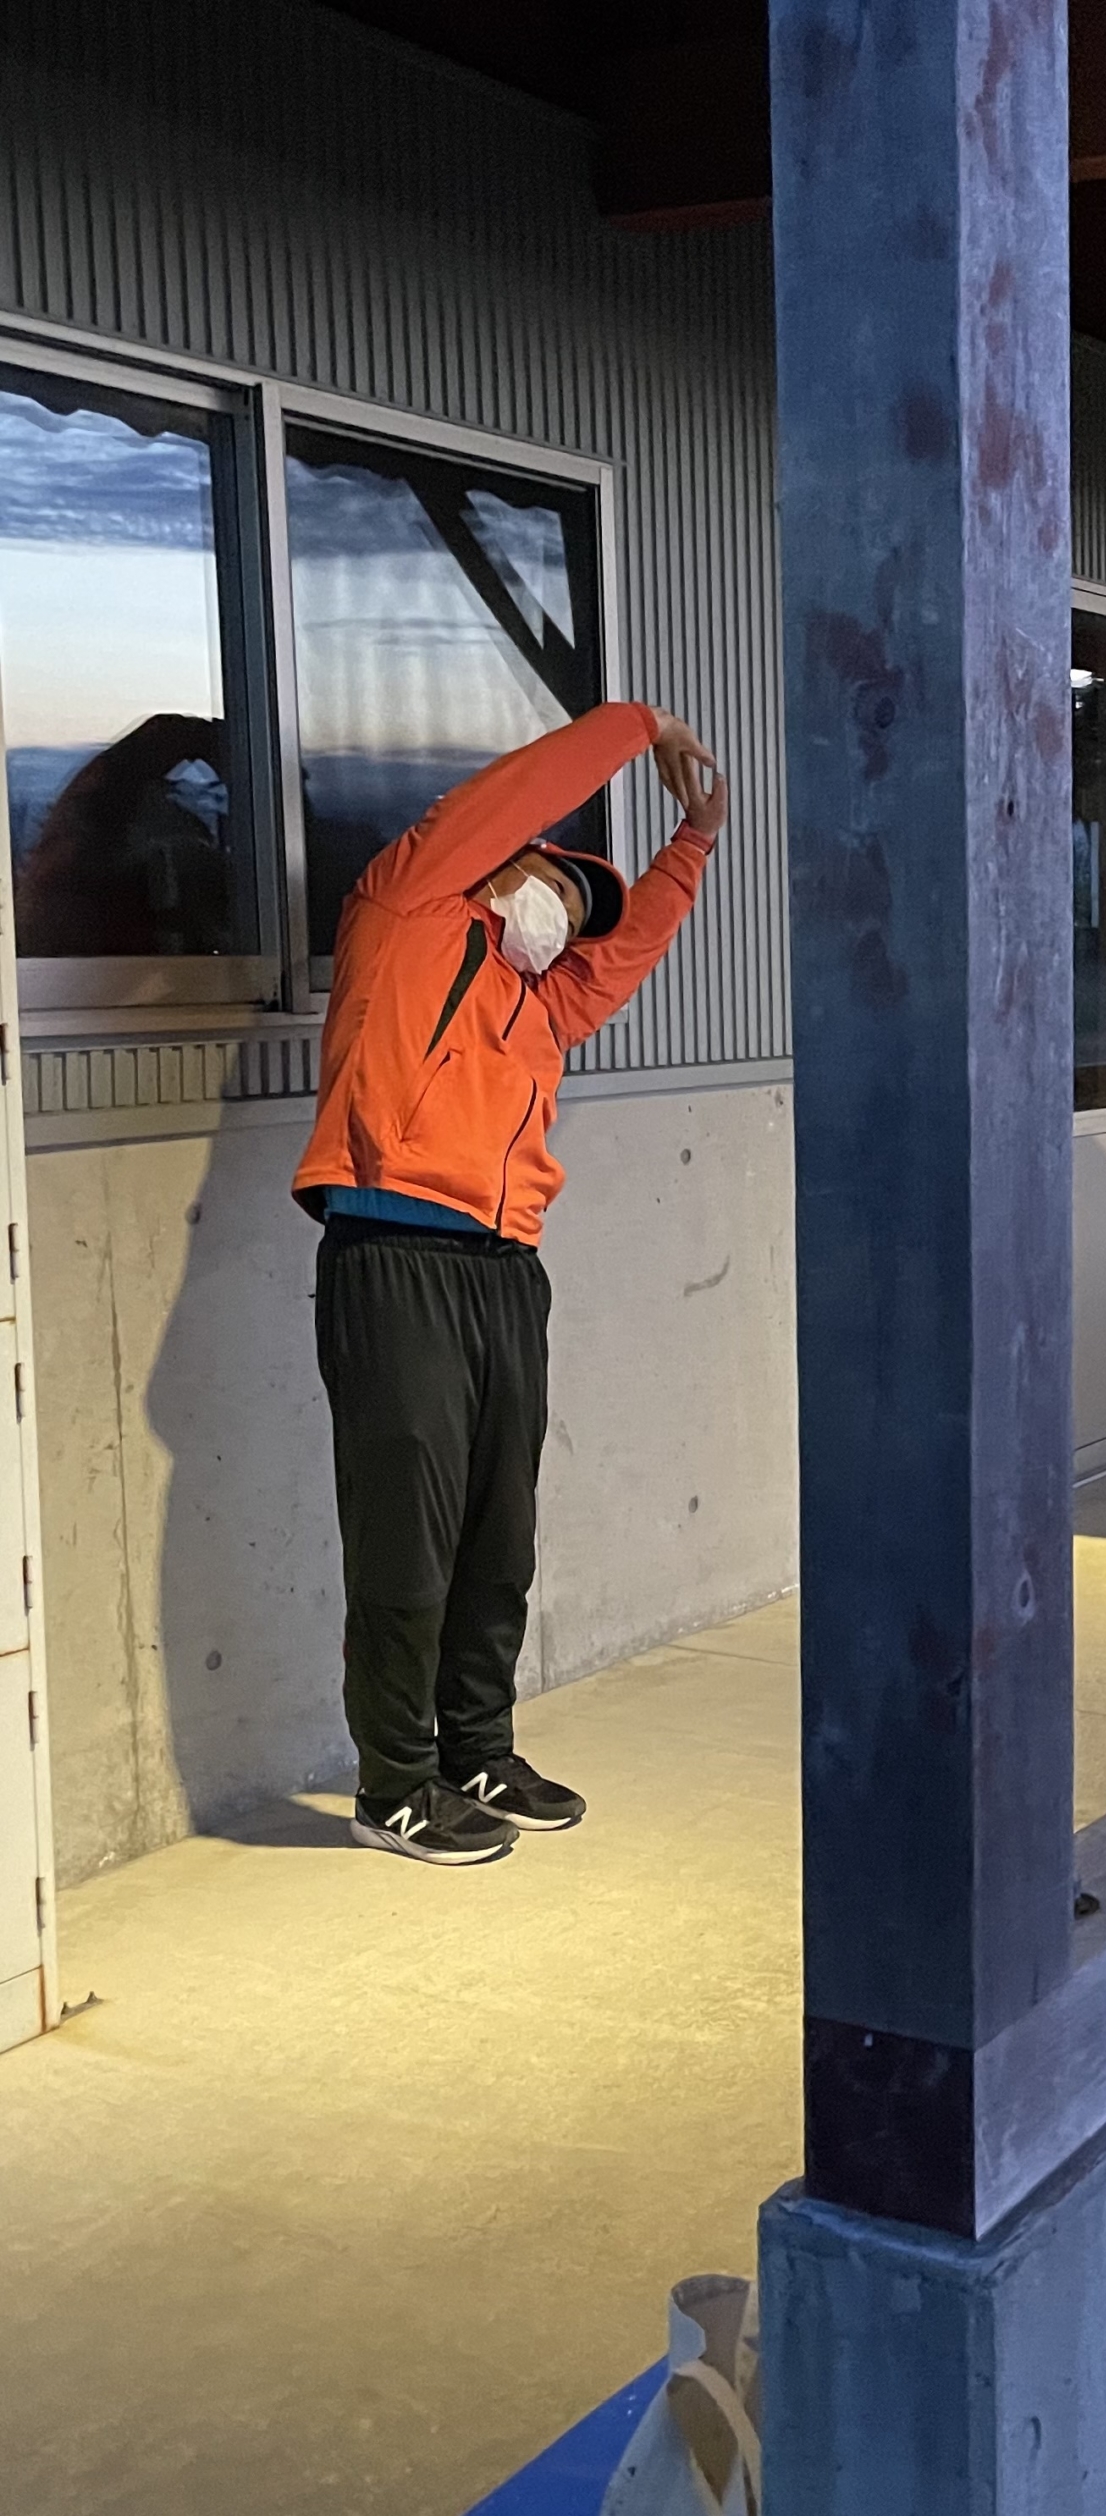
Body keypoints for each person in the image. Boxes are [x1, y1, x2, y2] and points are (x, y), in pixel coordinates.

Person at [292, 703, 728, 1866]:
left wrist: (689, 846)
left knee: (500, 1534)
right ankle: (393, 1784)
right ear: (501, 867)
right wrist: (638, 727)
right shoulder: (403, 914)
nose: (565, 916)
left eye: (578, 909)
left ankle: (475, 1747)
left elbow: (624, 958)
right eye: (554, 886)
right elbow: (515, 797)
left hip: (505, 1270)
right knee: (408, 1532)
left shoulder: (540, 998)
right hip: (395, 1259)